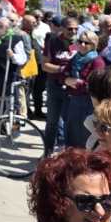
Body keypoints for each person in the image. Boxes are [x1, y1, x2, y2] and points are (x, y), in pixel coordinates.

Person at [62, 30, 105, 149]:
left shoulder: (97, 61)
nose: (82, 45)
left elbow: (95, 84)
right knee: (71, 135)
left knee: (84, 137)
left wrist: (76, 83)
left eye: (87, 43)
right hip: (73, 101)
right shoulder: (75, 58)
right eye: (80, 41)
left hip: (88, 103)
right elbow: (63, 73)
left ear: (94, 44)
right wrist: (66, 80)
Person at [42, 18, 78, 154]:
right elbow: (45, 65)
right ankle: (48, 152)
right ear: (62, 29)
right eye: (70, 29)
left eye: (76, 29)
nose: (73, 32)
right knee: (52, 121)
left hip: (73, 89)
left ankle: (68, 153)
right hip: (55, 86)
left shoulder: (79, 42)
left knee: (70, 123)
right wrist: (62, 70)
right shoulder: (52, 42)